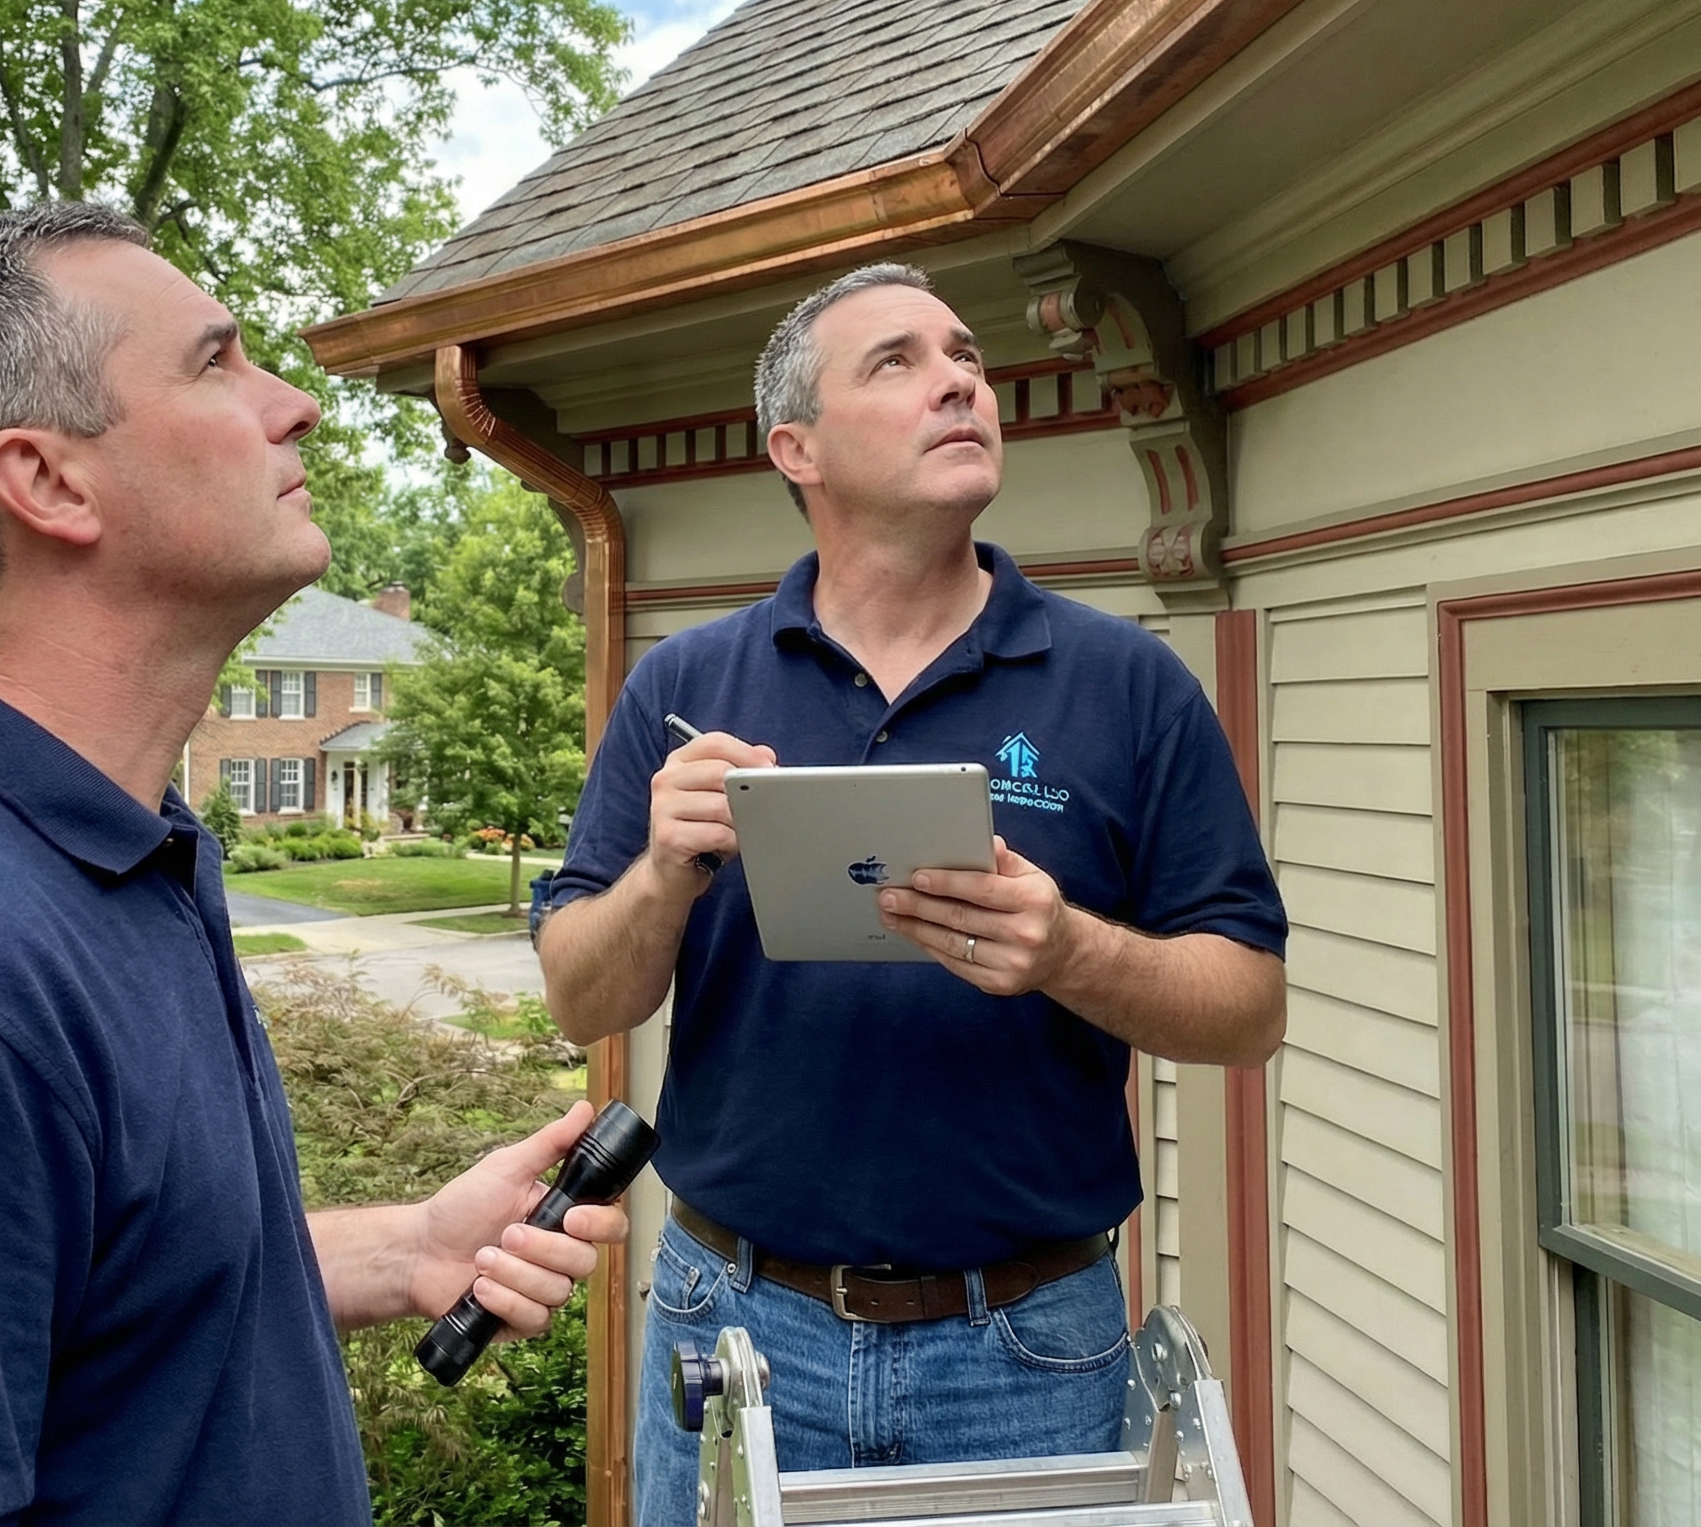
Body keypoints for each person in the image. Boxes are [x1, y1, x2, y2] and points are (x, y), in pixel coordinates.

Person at [0, 203, 626, 1527]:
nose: (299, 409)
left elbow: (103, 1293)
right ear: (50, 481)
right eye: (217, 363)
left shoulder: (111, 854)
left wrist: (408, 1251)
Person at [534, 263, 1288, 1525]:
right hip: (736, 1333)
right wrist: (664, 870)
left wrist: (1070, 954)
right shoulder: (691, 681)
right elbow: (580, 992)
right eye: (897, 362)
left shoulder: (1126, 685)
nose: (960, 381)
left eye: (967, 357)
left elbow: (1249, 1007)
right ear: (799, 447)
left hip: (1030, 1346)